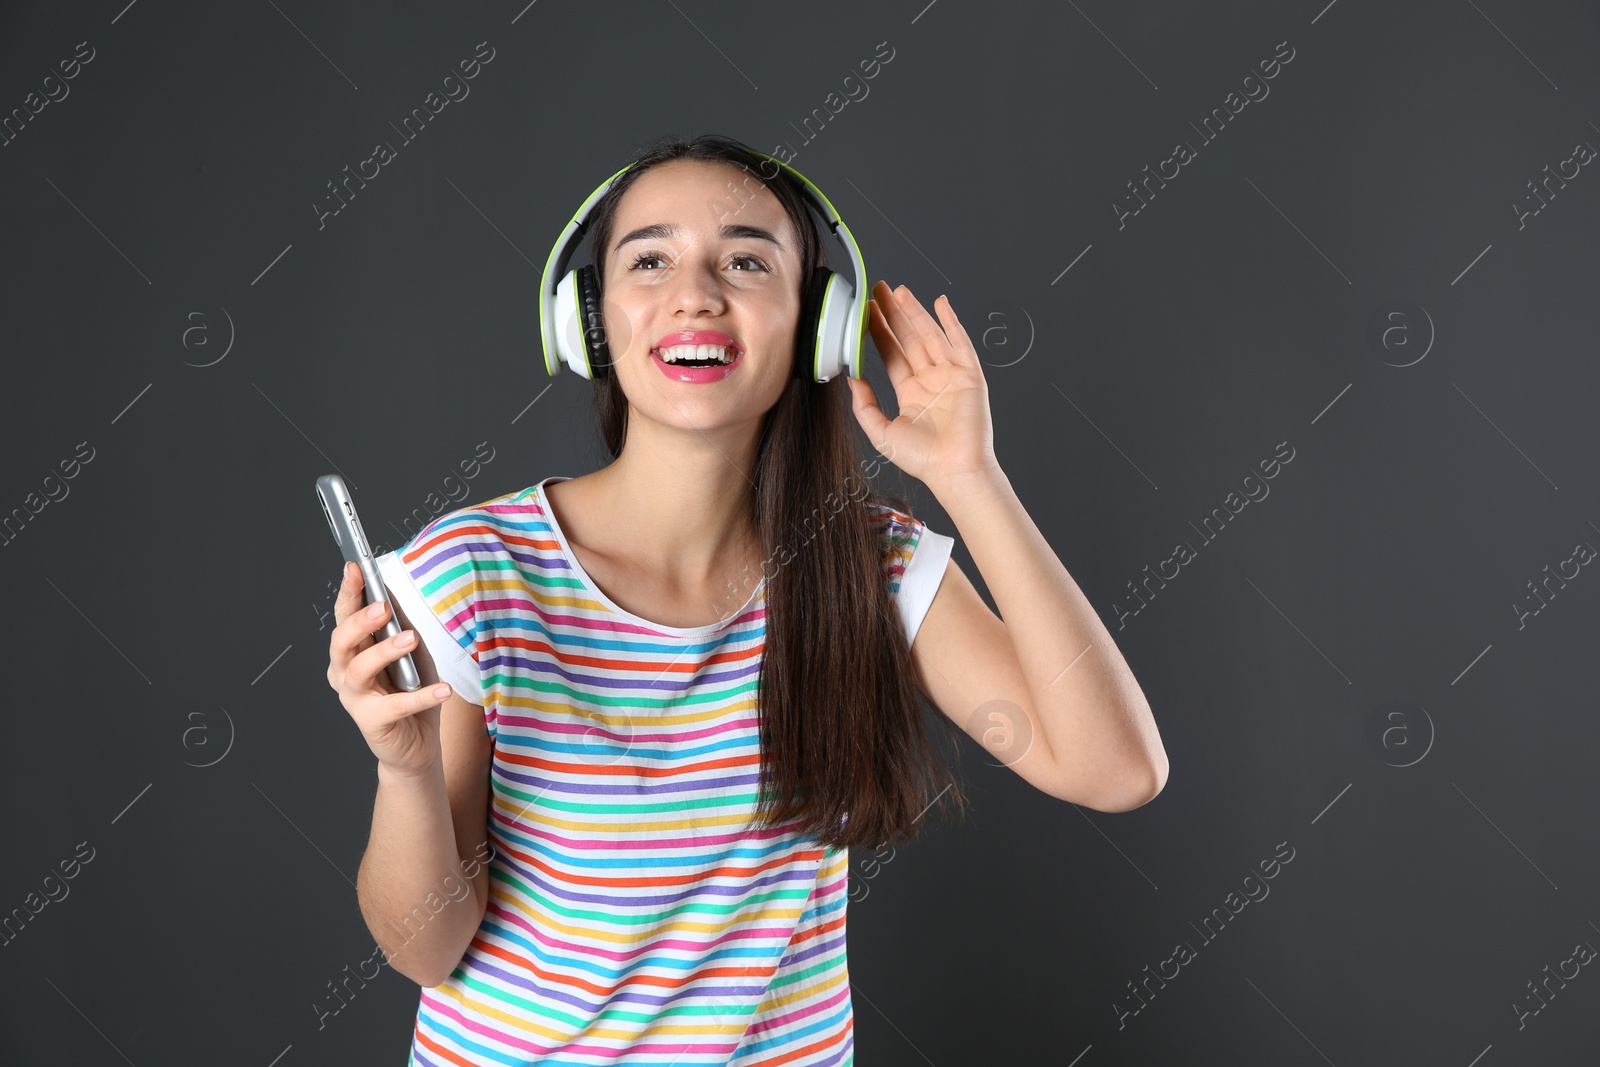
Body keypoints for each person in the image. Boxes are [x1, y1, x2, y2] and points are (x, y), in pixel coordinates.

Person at [326, 133, 1167, 1065]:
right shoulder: (472, 573)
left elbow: (1115, 769)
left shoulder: (866, 565)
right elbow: (425, 949)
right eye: (649, 259)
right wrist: (404, 774)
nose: (695, 293)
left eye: (745, 261)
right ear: (589, 320)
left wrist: (970, 476)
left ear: (818, 323)